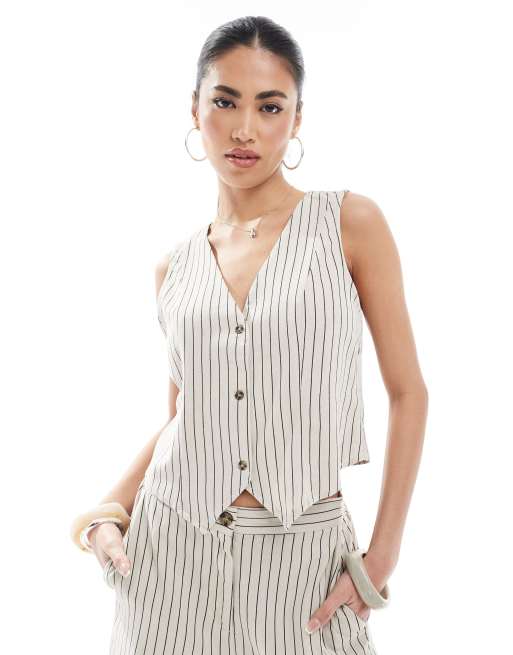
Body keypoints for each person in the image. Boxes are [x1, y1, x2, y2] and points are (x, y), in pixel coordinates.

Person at [72, 15, 428, 655]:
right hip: (169, 559)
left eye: (269, 106)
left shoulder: (350, 224)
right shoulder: (174, 268)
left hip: (306, 564)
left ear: (297, 119)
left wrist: (381, 557)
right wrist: (106, 511)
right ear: (195, 109)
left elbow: (409, 393)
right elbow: (185, 418)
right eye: (225, 102)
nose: (244, 129)